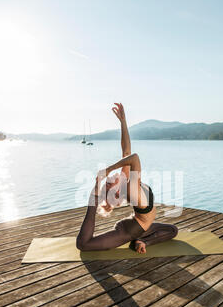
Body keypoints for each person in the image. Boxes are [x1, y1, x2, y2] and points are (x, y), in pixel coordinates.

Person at [76, 103, 178, 254]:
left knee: (172, 230)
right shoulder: (130, 190)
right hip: (129, 230)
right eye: (110, 182)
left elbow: (127, 151)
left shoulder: (125, 181)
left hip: (141, 226)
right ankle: (93, 200)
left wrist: (123, 121)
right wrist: (109, 169)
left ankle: (143, 241)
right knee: (84, 245)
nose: (111, 177)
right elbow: (134, 158)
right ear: (116, 192)